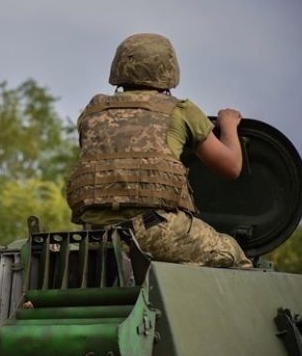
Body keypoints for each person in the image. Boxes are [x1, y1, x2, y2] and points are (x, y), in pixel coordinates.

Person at [66, 33, 252, 268]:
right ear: (168, 68)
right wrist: (228, 125)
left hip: (94, 236)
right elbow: (232, 167)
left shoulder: (92, 113)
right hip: (151, 232)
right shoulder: (181, 110)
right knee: (233, 255)